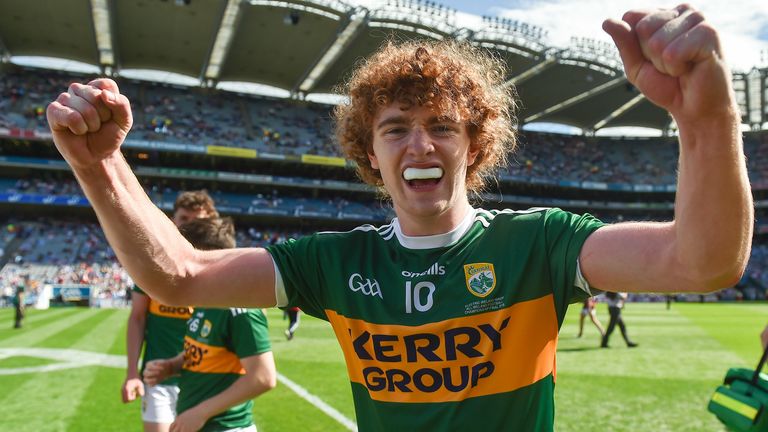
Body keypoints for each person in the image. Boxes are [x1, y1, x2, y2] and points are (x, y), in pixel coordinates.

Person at [46, 4, 753, 430]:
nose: (420, 144)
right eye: (396, 129)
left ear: (473, 144)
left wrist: (708, 118)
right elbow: (179, 275)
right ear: (370, 153)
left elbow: (703, 262)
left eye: (443, 126)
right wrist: (98, 165)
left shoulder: (540, 242)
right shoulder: (338, 263)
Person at [143, 217, 276, 432]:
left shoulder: (240, 309)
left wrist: (200, 412)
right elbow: (204, 354)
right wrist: (171, 366)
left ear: (211, 257)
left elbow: (263, 377)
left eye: (187, 258)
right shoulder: (205, 302)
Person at [121, 191, 219, 432]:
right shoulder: (152, 263)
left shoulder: (218, 266)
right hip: (158, 377)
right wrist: (132, 372)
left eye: (197, 220)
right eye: (184, 219)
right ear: (173, 219)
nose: (190, 226)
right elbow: (137, 318)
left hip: (203, 378)